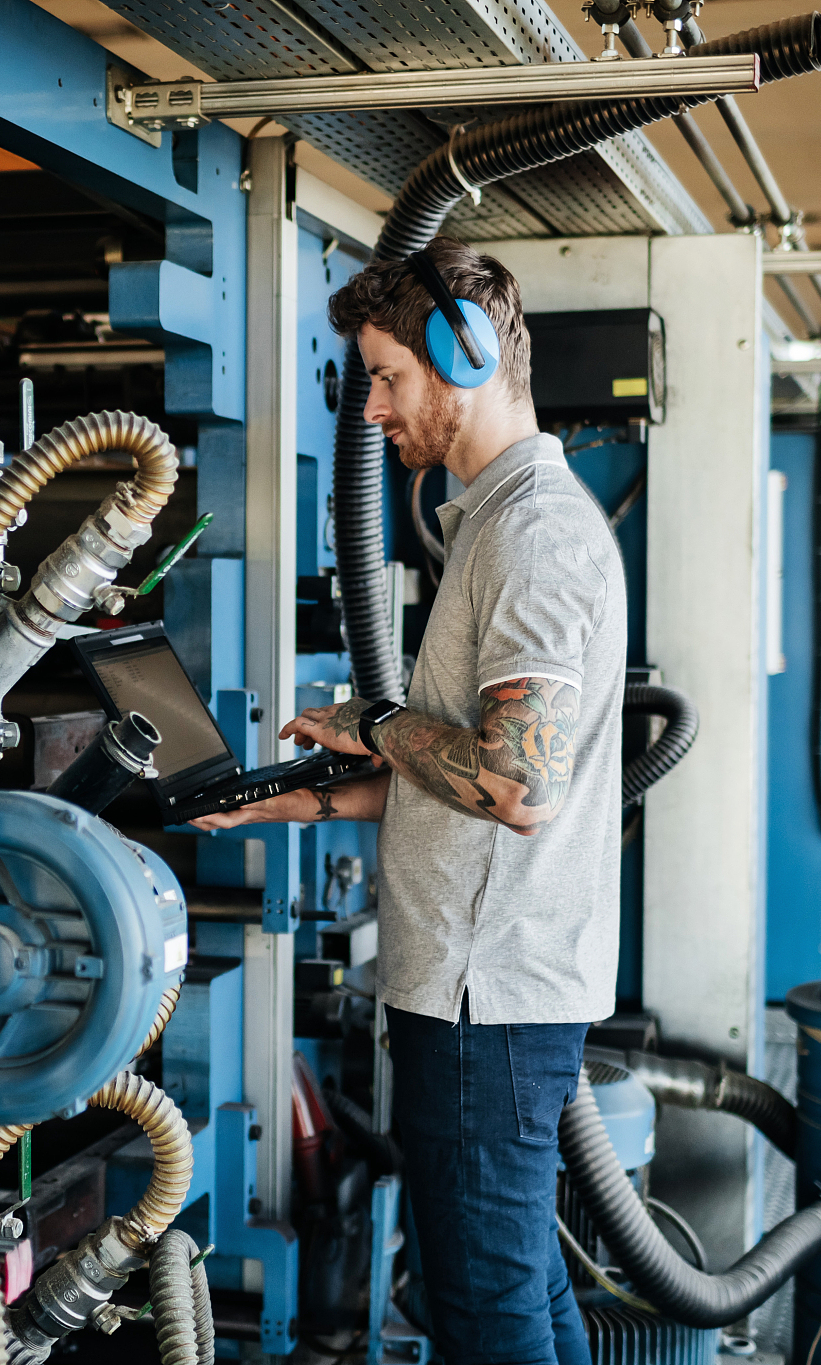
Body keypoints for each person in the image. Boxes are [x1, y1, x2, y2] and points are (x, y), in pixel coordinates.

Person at [190, 236, 628, 1365]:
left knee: (483, 1317)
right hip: (476, 992)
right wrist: (301, 805)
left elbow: (513, 783)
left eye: (385, 376)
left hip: (491, 1007)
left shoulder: (532, 533)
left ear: (463, 355)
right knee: (515, 1299)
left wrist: (373, 723)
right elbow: (462, 782)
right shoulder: (488, 518)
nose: (374, 407)